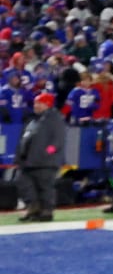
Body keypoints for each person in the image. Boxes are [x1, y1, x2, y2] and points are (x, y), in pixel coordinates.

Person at [16, 92, 67, 222]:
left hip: (45, 162)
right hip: (29, 161)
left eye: (39, 103)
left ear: (47, 104)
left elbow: (58, 140)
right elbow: (25, 139)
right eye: (35, 103)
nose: (36, 106)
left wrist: (47, 153)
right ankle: (33, 209)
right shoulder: (34, 120)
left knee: (44, 187)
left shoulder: (55, 118)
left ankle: (46, 212)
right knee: (26, 185)